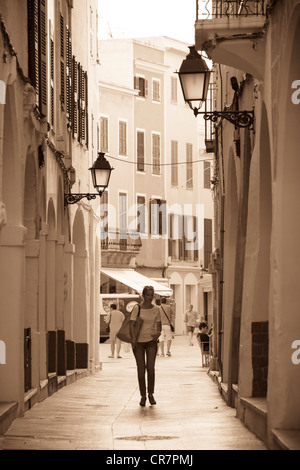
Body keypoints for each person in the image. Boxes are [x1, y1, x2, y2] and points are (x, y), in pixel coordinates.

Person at [130, 286, 162, 407]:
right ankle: (143, 396)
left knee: (151, 368)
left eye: (152, 295)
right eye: (148, 295)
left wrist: (157, 334)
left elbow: (159, 325)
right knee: (141, 369)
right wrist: (133, 340)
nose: (150, 297)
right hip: (138, 342)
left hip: (151, 342)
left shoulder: (156, 309)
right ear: (143, 296)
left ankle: (151, 394)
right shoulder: (137, 308)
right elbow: (132, 325)